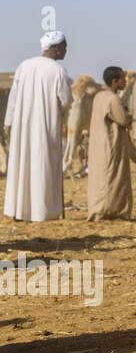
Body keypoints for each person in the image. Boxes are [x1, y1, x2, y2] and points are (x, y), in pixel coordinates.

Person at [3, 31, 73, 222]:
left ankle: (19, 210)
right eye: (65, 46)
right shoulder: (58, 71)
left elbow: (14, 99)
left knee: (22, 164)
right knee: (43, 167)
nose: (66, 50)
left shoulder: (24, 66)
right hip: (45, 127)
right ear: (56, 47)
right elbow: (66, 101)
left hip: (22, 128)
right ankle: (42, 212)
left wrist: (9, 123)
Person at [86, 66, 136, 220]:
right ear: (114, 81)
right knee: (113, 178)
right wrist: (129, 115)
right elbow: (123, 119)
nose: (126, 81)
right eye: (123, 79)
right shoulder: (113, 99)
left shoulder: (98, 97)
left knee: (100, 178)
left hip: (99, 145)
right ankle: (112, 211)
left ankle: (99, 210)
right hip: (111, 145)